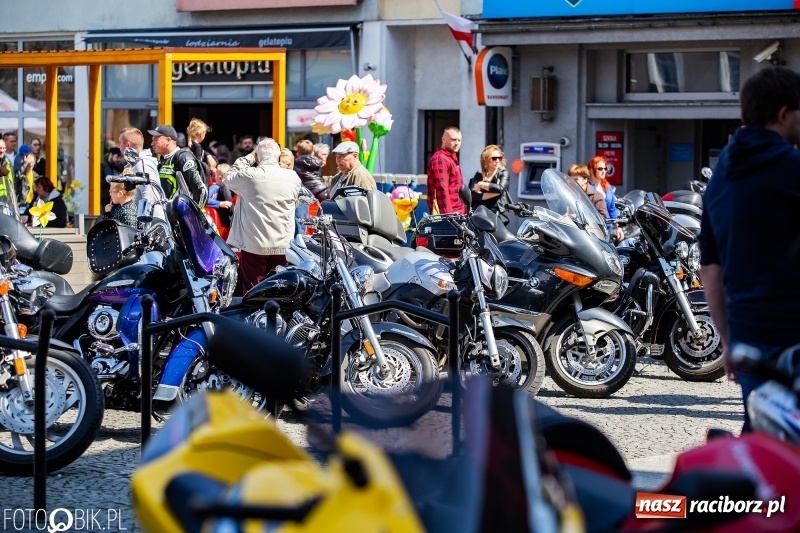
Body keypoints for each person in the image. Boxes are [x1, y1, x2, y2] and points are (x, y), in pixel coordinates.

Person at [699, 67, 800, 433]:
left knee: (761, 435)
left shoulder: (722, 172)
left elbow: (709, 268)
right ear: (784, 114)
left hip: (747, 332)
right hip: (792, 332)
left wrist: (729, 341)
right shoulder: (792, 168)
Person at [223, 137, 300, 293]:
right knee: (278, 290)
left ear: (257, 157)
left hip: (254, 244)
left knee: (253, 291)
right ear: (278, 157)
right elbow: (295, 202)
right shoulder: (293, 177)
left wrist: (249, 157)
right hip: (282, 244)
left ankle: (255, 316)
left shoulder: (250, 176)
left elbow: (227, 177)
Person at [149, 124, 208, 207]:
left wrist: (193, 216)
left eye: (156, 140)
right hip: (165, 216)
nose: (152, 144)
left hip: (179, 217)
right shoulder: (163, 161)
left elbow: (201, 190)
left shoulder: (183, 157)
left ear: (168, 140)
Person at [118, 127, 164, 221]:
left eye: (120, 142)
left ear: (128, 145)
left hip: (150, 222)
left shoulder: (142, 164)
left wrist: (144, 223)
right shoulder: (137, 163)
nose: (119, 146)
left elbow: (150, 195)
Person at [427, 126, 466, 215]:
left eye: (459, 140)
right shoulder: (440, 159)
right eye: (453, 140)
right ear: (443, 140)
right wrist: (448, 218)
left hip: (458, 214)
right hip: (450, 216)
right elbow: (442, 191)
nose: (457, 143)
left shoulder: (450, 158)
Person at [468, 145, 511, 223]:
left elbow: (500, 189)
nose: (497, 160)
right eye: (494, 158)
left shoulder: (503, 173)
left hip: (497, 214)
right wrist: (494, 193)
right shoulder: (478, 176)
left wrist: (481, 185)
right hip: (480, 214)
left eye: (500, 158)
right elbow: (473, 196)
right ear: (486, 160)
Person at [587, 156, 623, 241]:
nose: (603, 171)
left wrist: (619, 227)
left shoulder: (607, 187)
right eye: (600, 168)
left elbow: (613, 208)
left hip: (607, 228)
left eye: (605, 168)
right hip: (592, 229)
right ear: (591, 170)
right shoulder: (586, 186)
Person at [207, 162, 234, 228]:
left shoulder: (231, 189)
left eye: (214, 175)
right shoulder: (214, 188)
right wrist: (220, 203)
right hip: (220, 219)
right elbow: (205, 200)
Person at [13, 144, 36, 208]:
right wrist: (26, 163)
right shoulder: (22, 174)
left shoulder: (36, 175)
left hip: (33, 203)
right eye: (27, 157)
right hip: (22, 203)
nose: (30, 162)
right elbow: (18, 176)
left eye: (32, 160)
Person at [0, 139, 17, 215]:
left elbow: (7, 174)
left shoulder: (6, 161)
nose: (2, 150)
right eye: (0, 148)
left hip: (5, 198)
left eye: (4, 148)